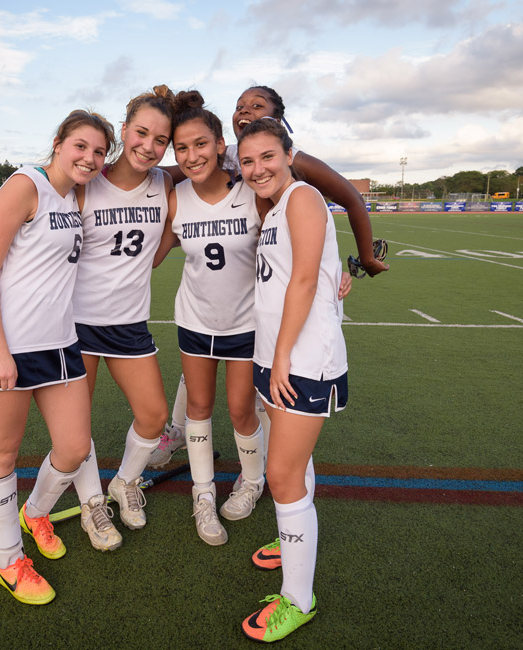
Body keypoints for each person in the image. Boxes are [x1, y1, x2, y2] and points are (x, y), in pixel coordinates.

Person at [150, 84, 382, 468]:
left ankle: (267, 474)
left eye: (258, 106)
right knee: (200, 386)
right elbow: (179, 177)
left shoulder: (284, 167)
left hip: (255, 317)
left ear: (279, 123)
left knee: (256, 404)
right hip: (209, 314)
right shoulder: (227, 162)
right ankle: (187, 435)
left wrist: (353, 263)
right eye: (240, 106)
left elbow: (335, 208)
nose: (247, 111)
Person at [0, 110, 118, 606]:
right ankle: (8, 560)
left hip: (59, 345)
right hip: (6, 348)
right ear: (57, 143)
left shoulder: (76, 194)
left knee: (74, 449)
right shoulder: (24, 185)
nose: (89, 158)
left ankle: (36, 513)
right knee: (1, 454)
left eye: (98, 152)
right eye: (80, 146)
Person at [237, 117, 349, 642]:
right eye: (249, 160)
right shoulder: (278, 205)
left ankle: (298, 599)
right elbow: (308, 273)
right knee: (292, 468)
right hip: (277, 355)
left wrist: (281, 358)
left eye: (268, 156)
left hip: (302, 360)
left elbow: (304, 280)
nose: (258, 168)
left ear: (288, 154)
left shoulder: (303, 196)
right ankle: (292, 535)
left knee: (282, 475)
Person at [152, 90, 268, 545]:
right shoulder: (176, 197)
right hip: (196, 321)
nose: (192, 155)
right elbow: (151, 256)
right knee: (197, 409)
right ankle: (203, 496)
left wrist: (335, 273)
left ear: (222, 144)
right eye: (182, 148)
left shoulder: (251, 191)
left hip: (245, 323)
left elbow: (291, 243)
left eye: (201, 144)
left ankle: (252, 481)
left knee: (241, 410)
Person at [69, 86, 176, 531]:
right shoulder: (85, 184)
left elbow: (158, 250)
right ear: (126, 128)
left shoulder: (166, 184)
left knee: (154, 417)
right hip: (75, 324)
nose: (148, 147)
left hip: (129, 323)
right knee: (75, 426)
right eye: (141, 133)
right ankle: (94, 503)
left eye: (160, 140)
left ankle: (124, 481)